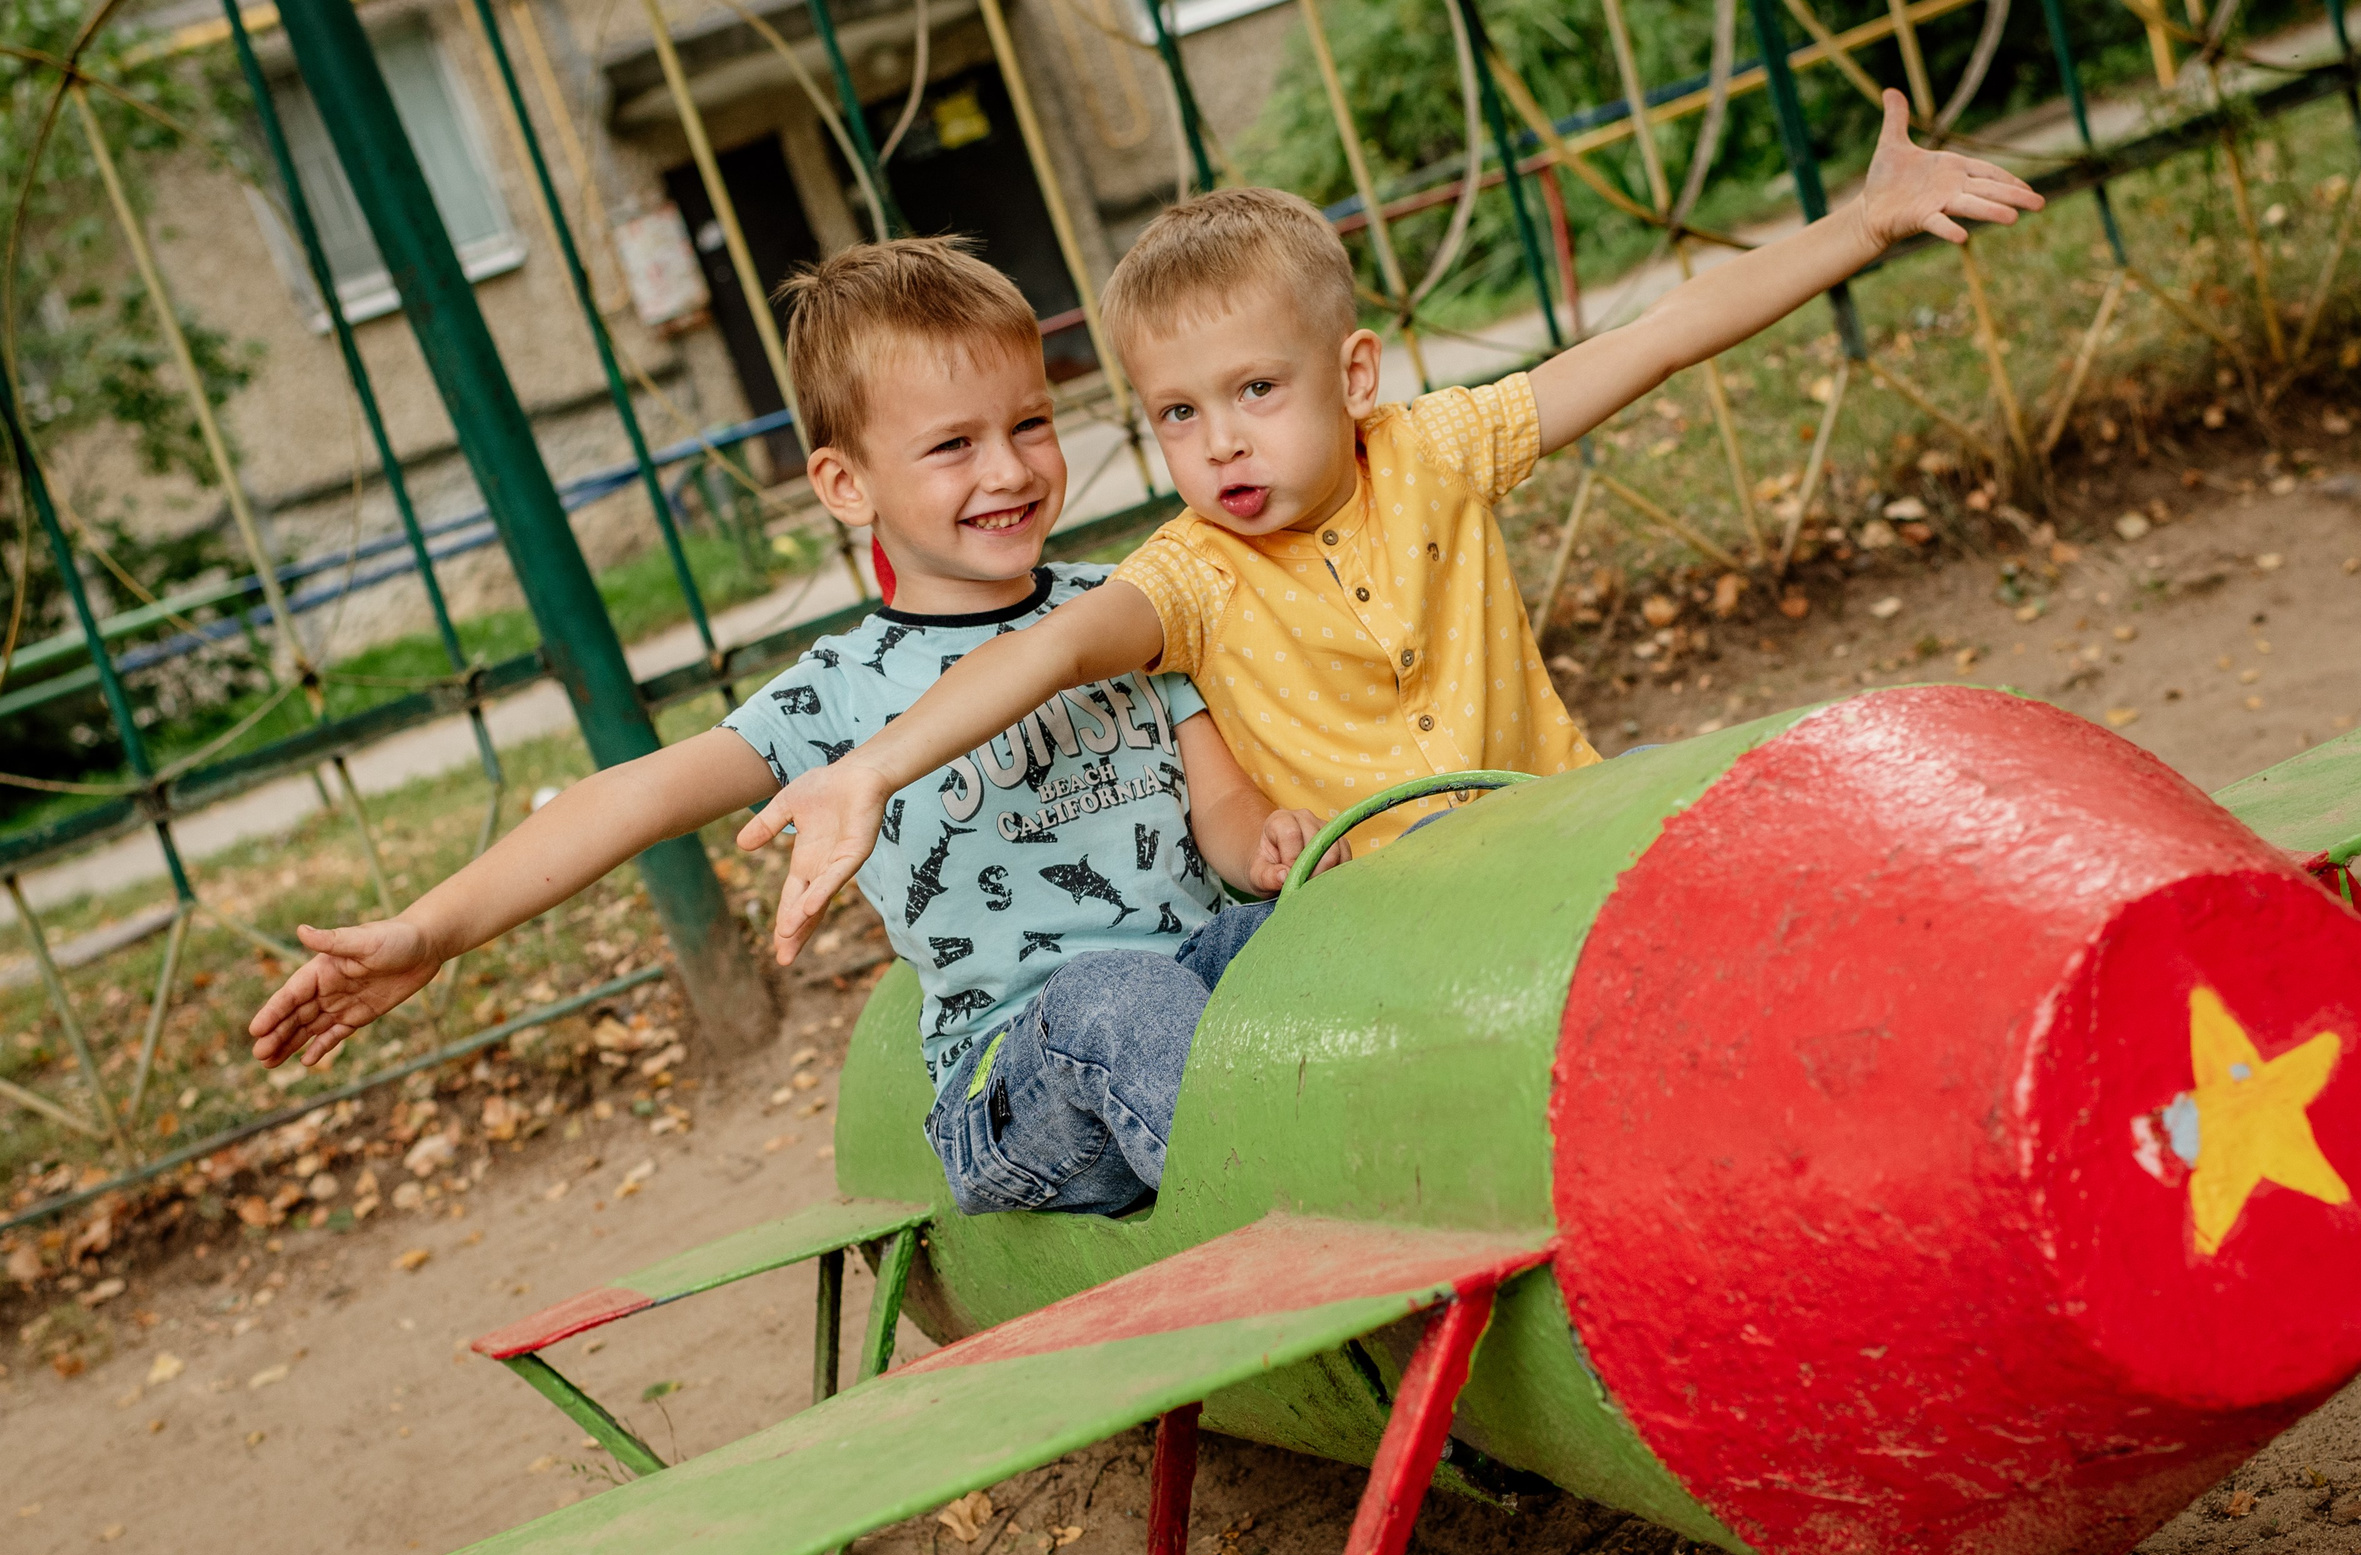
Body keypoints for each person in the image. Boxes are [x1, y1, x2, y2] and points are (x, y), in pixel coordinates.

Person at [738, 92, 2041, 963]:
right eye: (1179, 414)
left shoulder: (1440, 448)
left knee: (1787, 872)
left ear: (1354, 378)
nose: (1224, 441)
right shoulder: (1189, 577)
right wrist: (874, 767)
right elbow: (1046, 652)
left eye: (1257, 391)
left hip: (1566, 837)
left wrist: (1860, 222)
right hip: (1401, 938)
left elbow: (1652, 340)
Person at [248, 238, 1342, 1218]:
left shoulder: (1125, 606)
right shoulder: (840, 693)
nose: (1007, 469)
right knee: (1116, 995)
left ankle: (1454, 1183)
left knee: (1330, 911)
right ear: (842, 481)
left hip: (1199, 980)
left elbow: (1221, 803)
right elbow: (625, 797)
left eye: (1029, 423)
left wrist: (1268, 843)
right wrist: (434, 931)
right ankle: (1333, 1257)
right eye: (951, 445)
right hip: (1025, 1083)